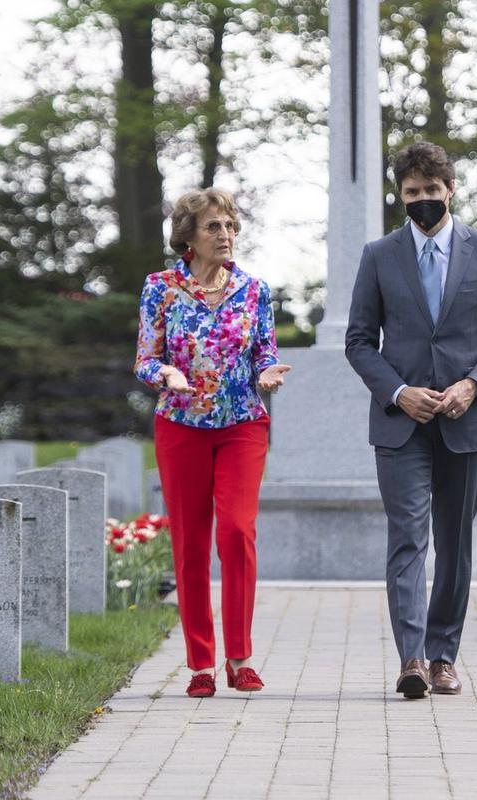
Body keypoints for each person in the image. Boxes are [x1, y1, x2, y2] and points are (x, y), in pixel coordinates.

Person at [345, 142, 477, 699]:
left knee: (454, 543)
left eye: (431, 190)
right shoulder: (379, 255)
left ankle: (445, 656)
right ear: (401, 195)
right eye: (412, 192)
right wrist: (397, 392)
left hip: (466, 424)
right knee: (407, 541)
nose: (422, 200)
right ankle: (413, 660)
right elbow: (358, 341)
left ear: (450, 189)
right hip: (400, 425)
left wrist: (474, 384)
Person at [135, 188, 291, 698]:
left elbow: (264, 349)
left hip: (242, 423)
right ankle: (201, 663)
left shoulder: (254, 290)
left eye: (229, 226)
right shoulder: (160, 288)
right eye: (213, 227)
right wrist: (166, 374)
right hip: (180, 426)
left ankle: (240, 658)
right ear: (189, 237)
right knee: (191, 543)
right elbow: (144, 358)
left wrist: (268, 371)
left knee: (237, 533)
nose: (225, 235)